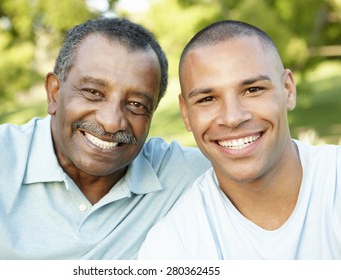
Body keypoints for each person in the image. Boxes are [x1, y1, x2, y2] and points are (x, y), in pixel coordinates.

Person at [0, 17, 210, 259]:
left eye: (136, 104)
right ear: (54, 93)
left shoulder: (189, 175)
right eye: (93, 92)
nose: (111, 122)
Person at [138, 20, 341, 259]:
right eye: (207, 99)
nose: (232, 118)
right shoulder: (173, 246)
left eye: (253, 89)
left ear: (287, 89)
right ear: (186, 114)